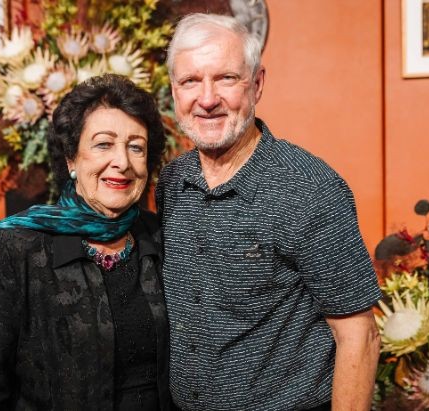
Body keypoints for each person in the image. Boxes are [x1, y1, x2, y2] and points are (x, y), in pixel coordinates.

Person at [156, 14, 382, 411]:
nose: (207, 99)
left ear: (257, 83)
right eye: (190, 81)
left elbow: (359, 335)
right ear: (174, 91)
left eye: (226, 78)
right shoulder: (171, 182)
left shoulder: (309, 188)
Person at [0, 74, 170, 410]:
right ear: (71, 158)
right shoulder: (16, 246)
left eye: (136, 147)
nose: (122, 162)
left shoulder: (161, 236)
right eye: (103, 144)